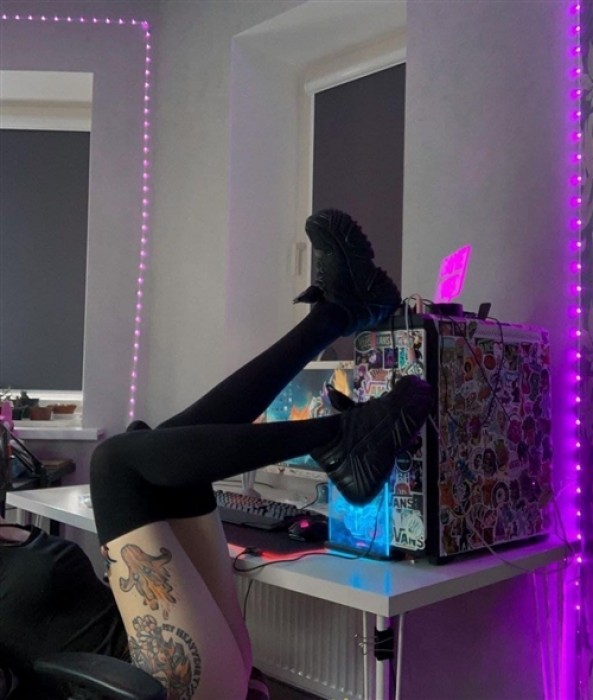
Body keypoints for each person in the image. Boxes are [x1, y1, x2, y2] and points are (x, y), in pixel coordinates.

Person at [1, 209, 433, 700]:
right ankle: (340, 434)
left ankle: (340, 314)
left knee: (156, 448)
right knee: (115, 463)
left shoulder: (13, 532)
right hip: (161, 684)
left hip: (185, 655)